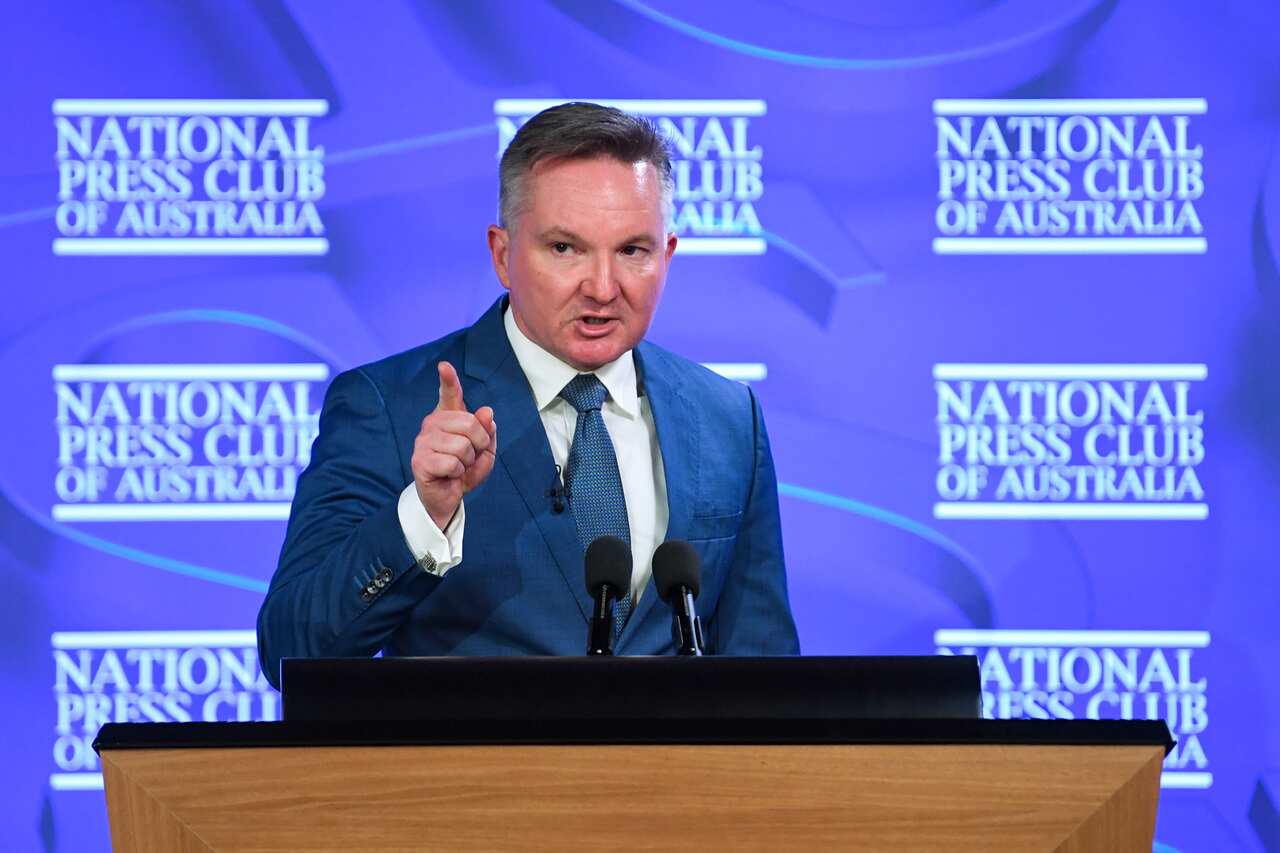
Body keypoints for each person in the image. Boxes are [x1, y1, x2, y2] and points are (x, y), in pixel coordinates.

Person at [257, 103, 798, 688]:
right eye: (565, 248)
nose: (602, 287)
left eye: (632, 251)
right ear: (502, 255)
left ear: (666, 257)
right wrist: (424, 516)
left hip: (674, 780)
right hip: (478, 778)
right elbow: (292, 647)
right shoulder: (388, 406)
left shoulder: (727, 419)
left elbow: (765, 670)